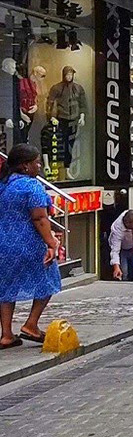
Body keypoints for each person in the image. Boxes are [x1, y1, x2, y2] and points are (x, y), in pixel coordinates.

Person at [0, 144, 62, 348]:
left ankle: (7, 334)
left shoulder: (3, 184)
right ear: (25, 166)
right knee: (49, 279)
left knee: (6, 288)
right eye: (37, 162)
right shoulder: (32, 186)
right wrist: (51, 243)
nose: (40, 166)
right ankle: (31, 324)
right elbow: (39, 218)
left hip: (3, 243)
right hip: (28, 243)